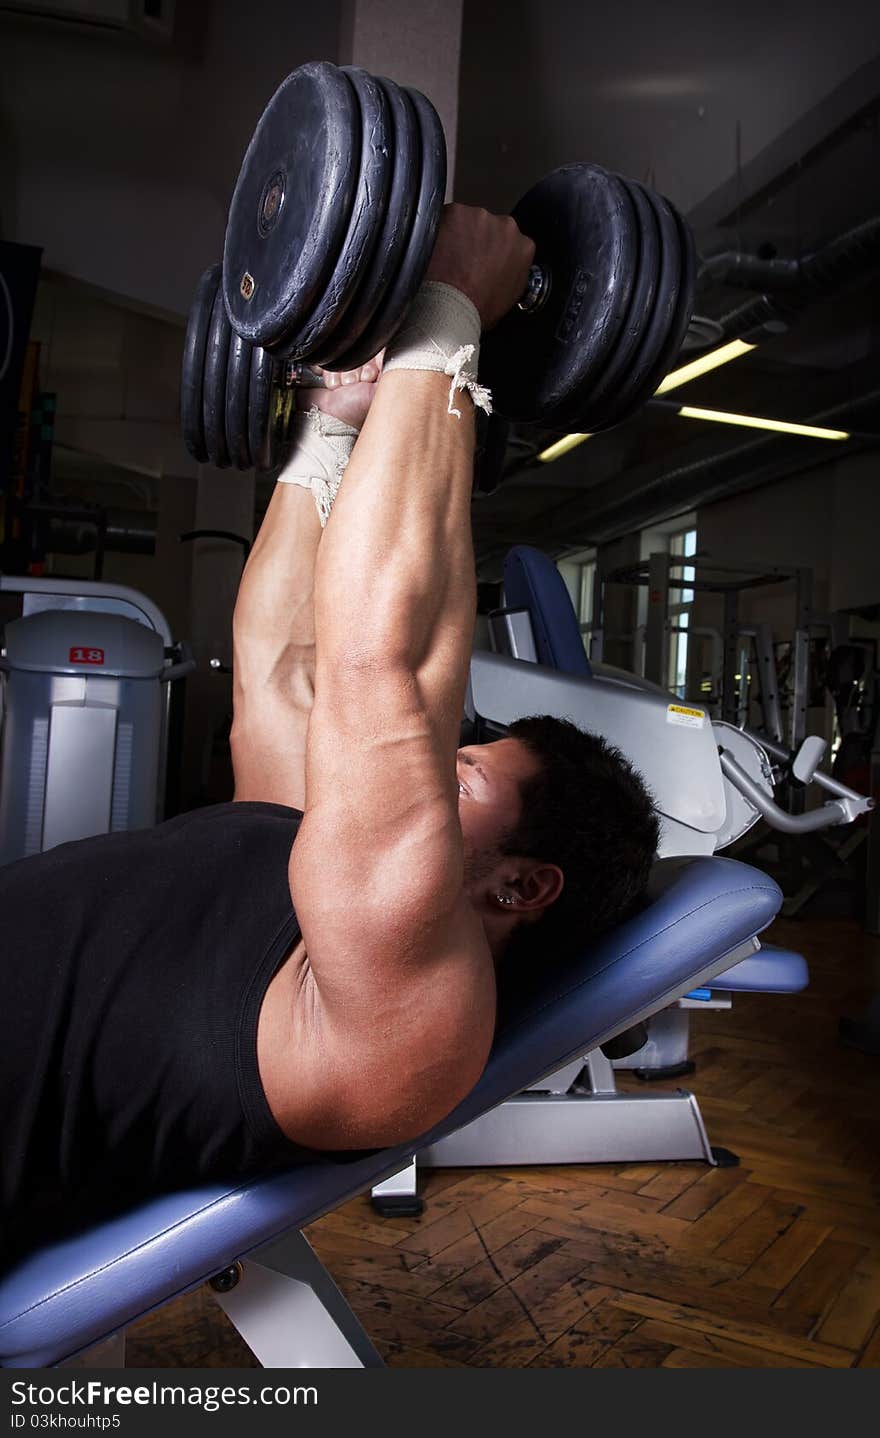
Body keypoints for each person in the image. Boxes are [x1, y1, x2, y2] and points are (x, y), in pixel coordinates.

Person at [0, 205, 658, 1266]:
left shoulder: (409, 1015)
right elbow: (278, 666)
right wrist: (334, 426)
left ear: (524, 885)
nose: (439, 751)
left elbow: (379, 664)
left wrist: (448, 321)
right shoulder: (321, 878)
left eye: (471, 765)